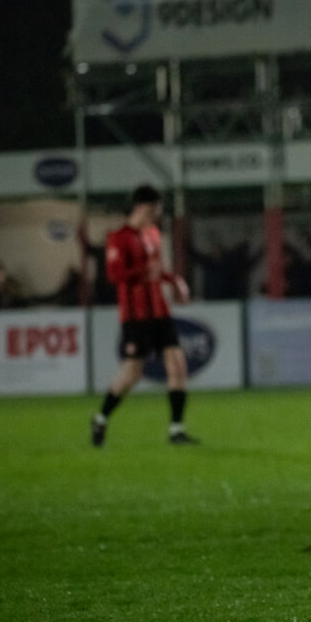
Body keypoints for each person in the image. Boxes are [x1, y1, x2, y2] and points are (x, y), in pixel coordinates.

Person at [90, 184, 197, 447]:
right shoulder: (118, 237)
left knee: (178, 365)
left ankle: (176, 429)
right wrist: (140, 271)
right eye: (154, 210)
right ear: (142, 208)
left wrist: (175, 282)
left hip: (160, 311)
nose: (157, 216)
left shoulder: (152, 234)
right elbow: (114, 275)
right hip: (135, 316)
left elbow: (157, 269)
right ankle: (101, 418)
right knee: (132, 373)